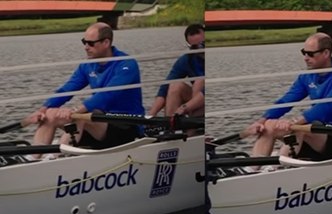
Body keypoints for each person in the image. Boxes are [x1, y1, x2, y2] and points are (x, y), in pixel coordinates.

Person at [23, 22, 145, 153]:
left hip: (126, 125)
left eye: (91, 43)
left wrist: (76, 110)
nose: (86, 47)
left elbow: (107, 95)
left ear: (106, 43)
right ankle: (34, 158)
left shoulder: (126, 64)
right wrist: (42, 110)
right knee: (50, 115)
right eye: (84, 42)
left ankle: (56, 158)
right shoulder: (87, 66)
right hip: (100, 122)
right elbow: (67, 89)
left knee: (79, 117)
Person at [244, 32, 332, 162]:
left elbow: (326, 107)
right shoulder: (307, 76)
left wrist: (294, 122)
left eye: (310, 54)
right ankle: (253, 168)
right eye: (304, 52)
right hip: (320, 132)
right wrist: (261, 121)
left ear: (326, 53)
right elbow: (286, 100)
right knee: (268, 126)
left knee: (300, 129)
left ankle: (277, 168)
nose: (306, 58)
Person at [148, 23, 205, 117]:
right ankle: (170, 126)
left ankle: (192, 129)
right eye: (194, 47)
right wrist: (150, 116)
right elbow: (164, 89)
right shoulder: (187, 60)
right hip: (197, 102)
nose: (200, 50)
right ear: (189, 46)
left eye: (203, 45)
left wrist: (184, 108)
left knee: (199, 82)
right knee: (175, 86)